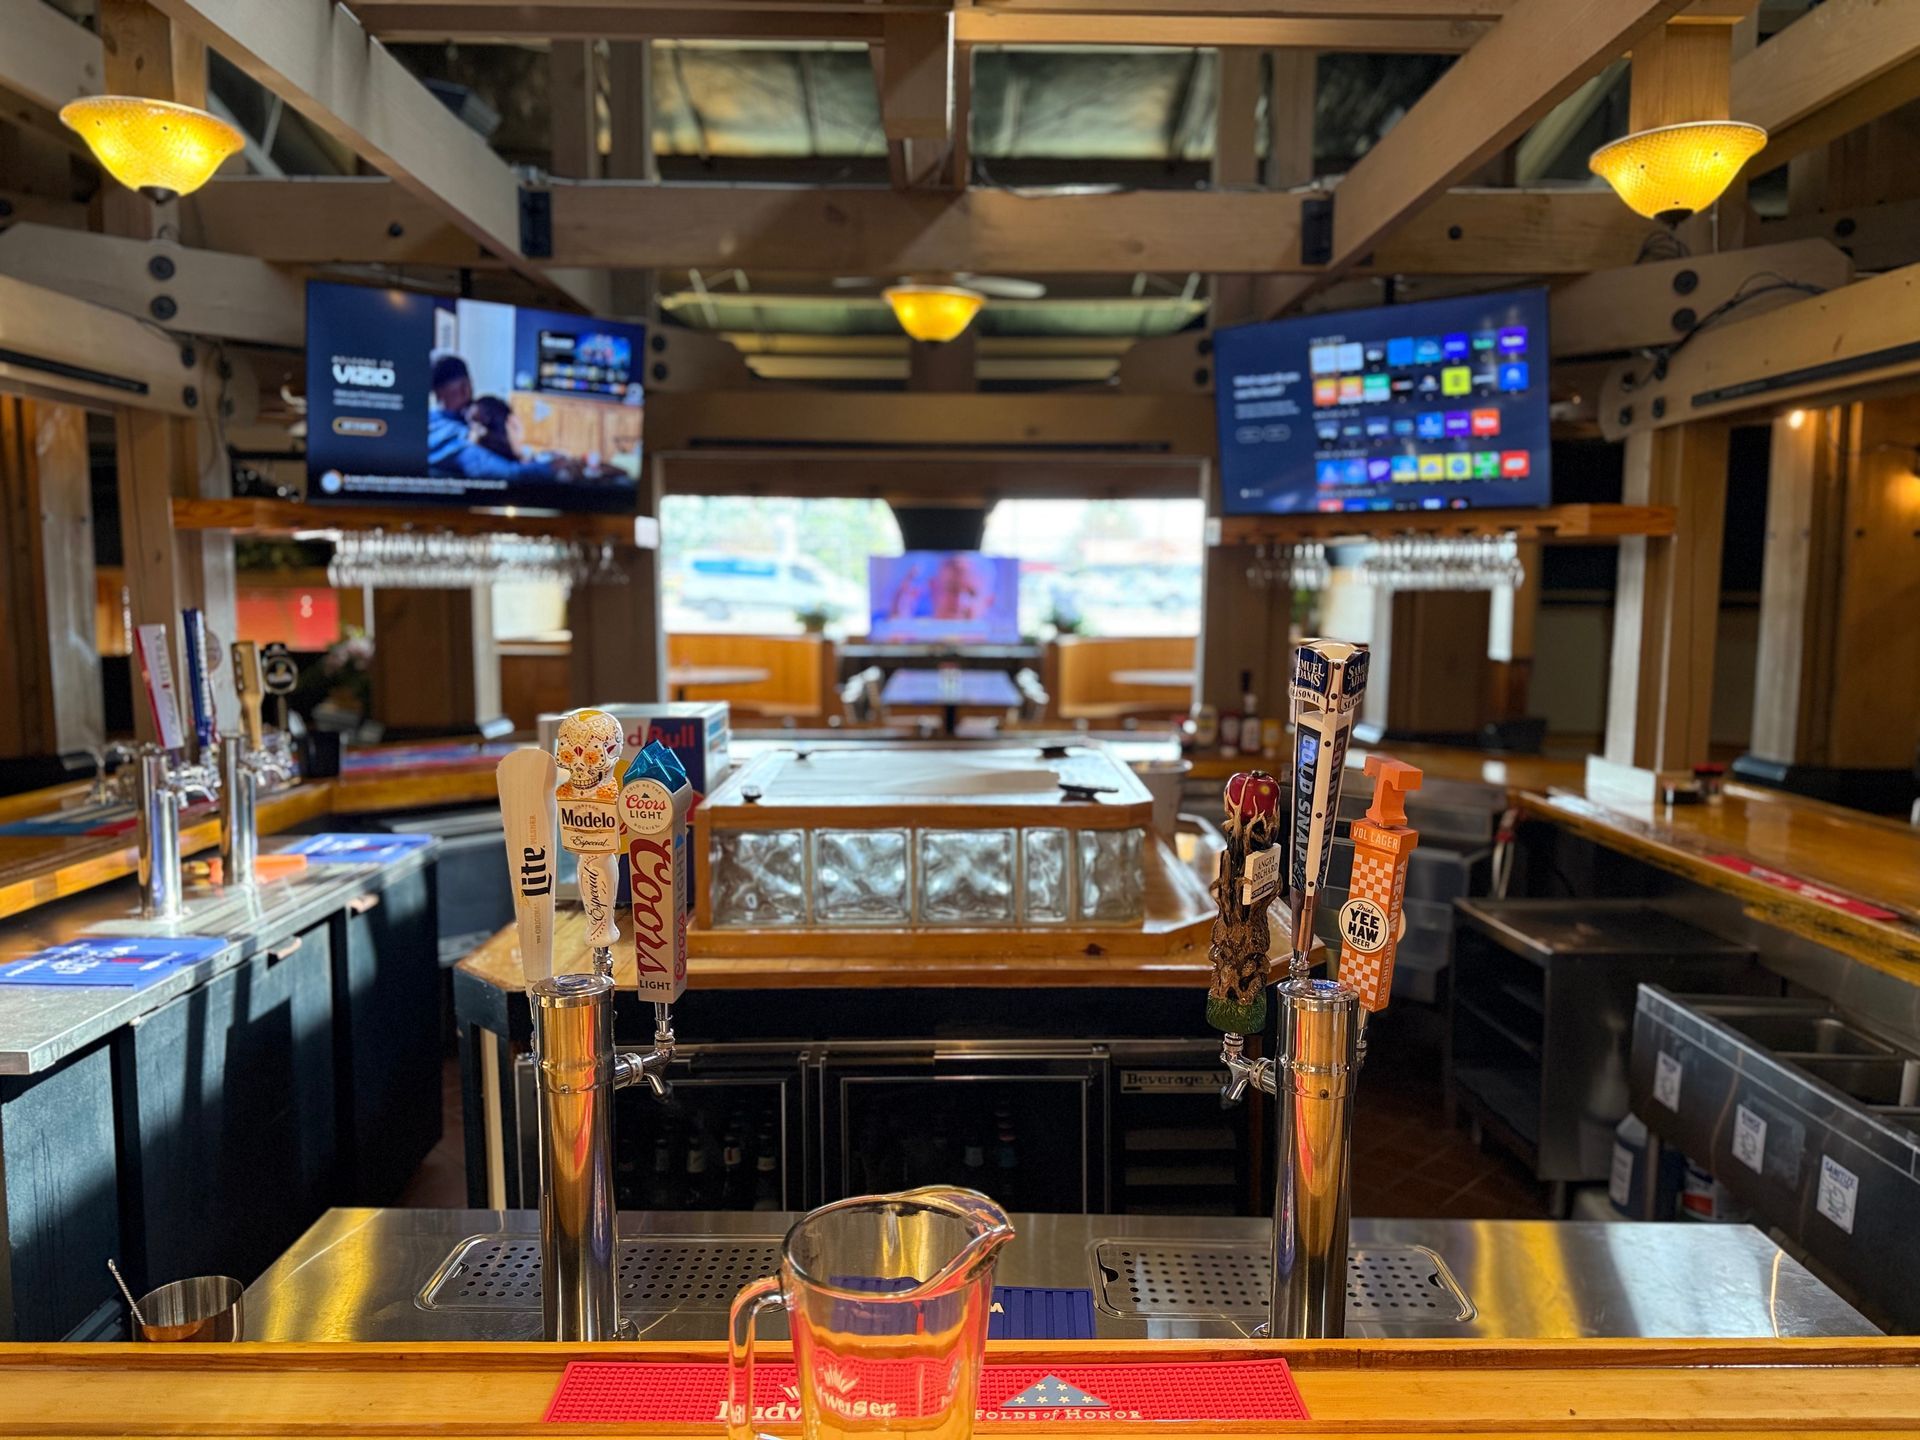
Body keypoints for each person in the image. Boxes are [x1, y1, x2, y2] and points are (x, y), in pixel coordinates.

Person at [455, 394, 568, 481]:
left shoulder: (479, 447)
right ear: (511, 422)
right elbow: (513, 473)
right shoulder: (473, 454)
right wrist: (552, 467)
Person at [426, 352, 474, 476]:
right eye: (461, 388)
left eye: (469, 385)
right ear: (439, 392)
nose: (467, 393)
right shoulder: (441, 429)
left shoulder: (471, 418)